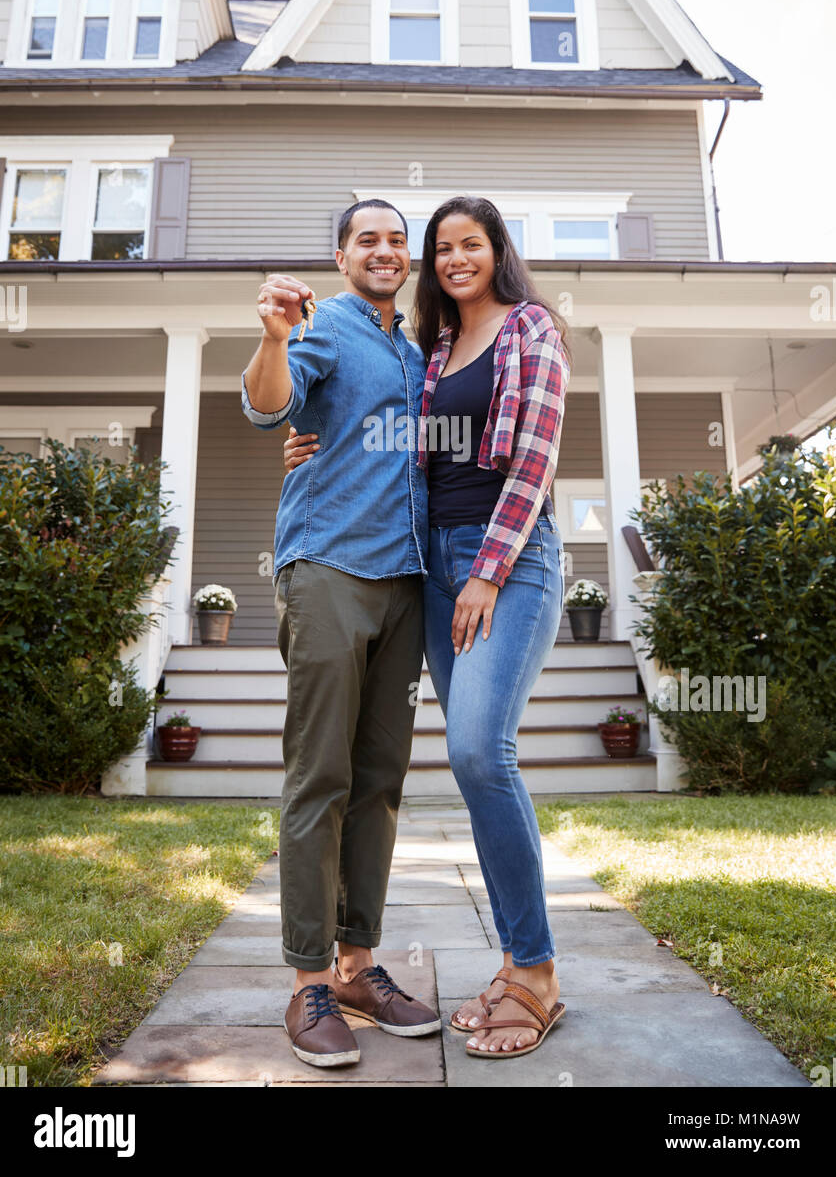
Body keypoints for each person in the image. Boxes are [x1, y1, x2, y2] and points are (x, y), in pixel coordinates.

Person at [285, 195, 571, 1059]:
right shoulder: (430, 351)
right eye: (440, 247)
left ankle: (536, 971)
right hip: (428, 568)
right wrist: (310, 443)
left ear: (497, 251)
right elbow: (376, 433)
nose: (451, 259)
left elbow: (535, 457)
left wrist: (486, 569)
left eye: (467, 244)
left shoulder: (531, 330)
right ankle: (331, 976)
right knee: (382, 767)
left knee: (482, 753)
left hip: (504, 560)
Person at [240, 199, 440, 1069]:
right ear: (342, 255)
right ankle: (306, 983)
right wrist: (276, 337)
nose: (387, 251)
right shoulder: (325, 330)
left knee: (380, 779)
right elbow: (265, 406)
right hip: (328, 569)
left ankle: (359, 966)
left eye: (399, 240)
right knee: (318, 775)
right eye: (370, 239)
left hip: (406, 583)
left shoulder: (418, 348)